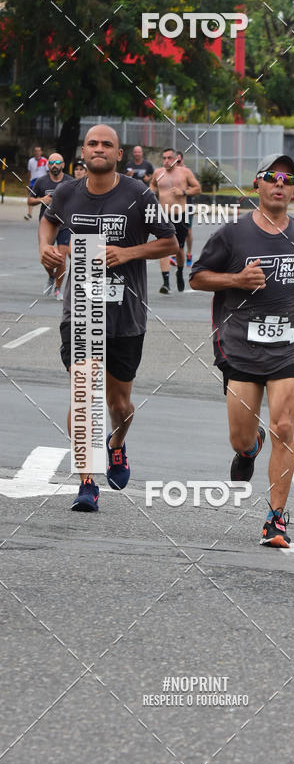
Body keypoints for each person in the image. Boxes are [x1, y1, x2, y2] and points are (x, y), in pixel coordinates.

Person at [189, 153, 294, 548]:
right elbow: (197, 278)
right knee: (240, 437)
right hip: (240, 346)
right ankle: (250, 449)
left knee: (284, 426)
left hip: (288, 347)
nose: (279, 184)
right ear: (257, 185)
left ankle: (276, 519)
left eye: (287, 179)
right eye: (271, 177)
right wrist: (237, 279)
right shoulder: (232, 234)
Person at [38, 124, 178, 511]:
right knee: (83, 392)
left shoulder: (138, 194)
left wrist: (127, 253)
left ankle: (116, 443)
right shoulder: (67, 192)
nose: (98, 148)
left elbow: (170, 242)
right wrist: (45, 248)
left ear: (119, 154)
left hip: (125, 314)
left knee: (120, 404)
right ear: (82, 152)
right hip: (81, 309)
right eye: (92, 143)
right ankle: (87, 480)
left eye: (107, 144)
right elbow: (48, 220)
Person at [150, 147, 202, 293]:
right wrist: (152, 192)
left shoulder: (185, 172)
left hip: (180, 215)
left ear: (175, 159)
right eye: (164, 158)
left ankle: (179, 272)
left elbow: (198, 189)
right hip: (163, 215)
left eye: (169, 158)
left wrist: (183, 192)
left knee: (178, 249)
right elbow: (153, 184)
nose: (166, 161)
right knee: (163, 248)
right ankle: (166, 282)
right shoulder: (158, 172)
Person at [27, 153, 76, 298]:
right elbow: (30, 200)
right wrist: (41, 199)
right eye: (51, 163)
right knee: (46, 257)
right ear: (48, 165)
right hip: (47, 225)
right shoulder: (41, 181)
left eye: (57, 162)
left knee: (61, 257)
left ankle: (58, 289)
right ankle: (51, 275)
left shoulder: (70, 182)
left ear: (63, 165)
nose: (54, 165)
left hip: (64, 224)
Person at [25, 145, 48, 219]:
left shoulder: (45, 160)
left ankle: (46, 213)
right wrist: (28, 183)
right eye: (36, 151)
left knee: (45, 198)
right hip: (33, 182)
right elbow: (29, 172)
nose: (37, 152)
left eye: (39, 151)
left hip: (43, 182)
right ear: (34, 152)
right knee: (31, 197)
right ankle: (29, 214)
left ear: (41, 152)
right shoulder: (30, 161)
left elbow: (48, 172)